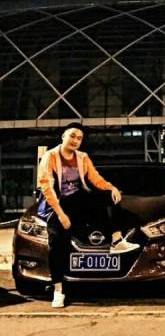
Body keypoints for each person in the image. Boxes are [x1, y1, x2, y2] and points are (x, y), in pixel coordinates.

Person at [37, 122, 139, 308]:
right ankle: (58, 290)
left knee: (109, 196)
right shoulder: (50, 157)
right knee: (56, 242)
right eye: (72, 136)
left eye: (79, 138)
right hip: (56, 206)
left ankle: (117, 241)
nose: (75, 140)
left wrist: (111, 188)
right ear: (63, 136)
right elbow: (47, 188)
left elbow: (95, 178)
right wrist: (61, 215)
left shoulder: (83, 157)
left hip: (77, 201)